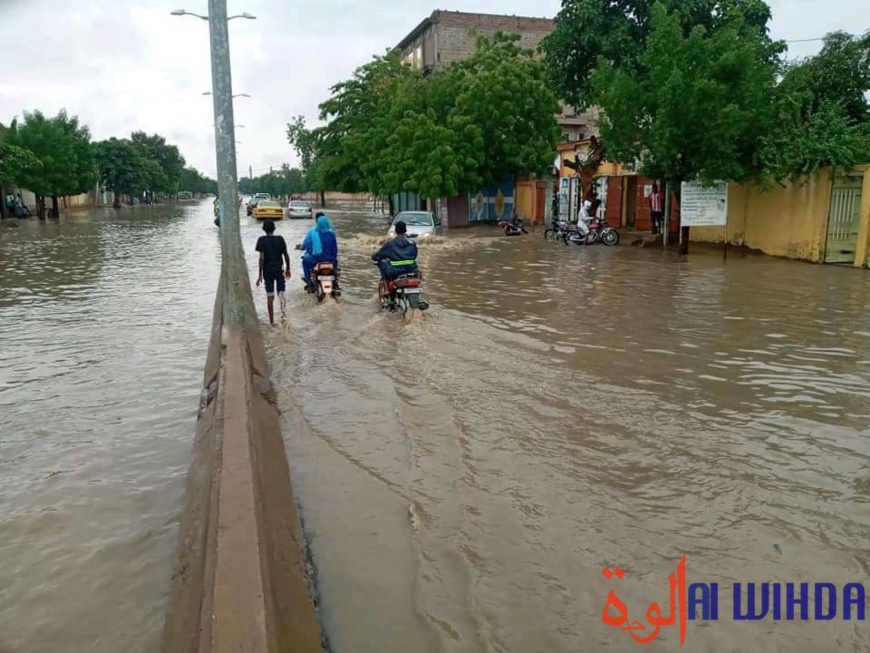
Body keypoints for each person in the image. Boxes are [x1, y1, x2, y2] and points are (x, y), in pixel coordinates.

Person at [255, 219, 291, 325]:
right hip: (279, 271)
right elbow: (286, 255)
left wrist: (260, 275)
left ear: (263, 229)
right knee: (281, 293)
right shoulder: (280, 239)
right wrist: (288, 268)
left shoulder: (261, 240)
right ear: (274, 228)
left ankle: (272, 322)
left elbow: (261, 258)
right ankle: (284, 316)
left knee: (270, 296)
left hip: (268, 272)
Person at [300, 214, 339, 290]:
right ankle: (335, 282)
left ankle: (308, 281)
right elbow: (335, 249)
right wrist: (333, 257)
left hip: (317, 259)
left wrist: (301, 248)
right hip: (331, 260)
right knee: (336, 267)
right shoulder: (332, 234)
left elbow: (305, 245)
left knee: (305, 262)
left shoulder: (313, 233)